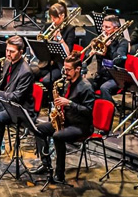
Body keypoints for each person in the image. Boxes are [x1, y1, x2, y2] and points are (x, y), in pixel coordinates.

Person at [31, 53, 95, 185]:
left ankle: (60, 174)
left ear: (78, 69)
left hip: (81, 126)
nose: (65, 72)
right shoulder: (67, 82)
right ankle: (46, 164)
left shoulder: (86, 87)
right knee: (38, 129)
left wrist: (69, 103)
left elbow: (88, 111)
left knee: (58, 136)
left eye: (68, 70)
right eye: (64, 69)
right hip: (67, 121)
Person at [0, 35, 35, 161]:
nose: (8, 54)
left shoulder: (26, 72)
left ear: (21, 52)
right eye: (7, 50)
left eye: (12, 51)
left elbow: (16, 97)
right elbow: (5, 85)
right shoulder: (7, 62)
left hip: (19, 108)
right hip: (5, 103)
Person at [36, 2, 78, 99]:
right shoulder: (48, 25)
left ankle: (52, 100)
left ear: (62, 16)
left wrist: (60, 39)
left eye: (55, 18)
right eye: (51, 17)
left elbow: (68, 53)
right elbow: (41, 44)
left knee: (47, 81)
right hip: (46, 63)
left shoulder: (70, 29)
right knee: (29, 72)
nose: (52, 21)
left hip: (60, 65)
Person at [83, 14, 130, 96]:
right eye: (103, 26)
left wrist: (109, 48)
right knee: (84, 84)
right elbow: (85, 61)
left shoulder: (123, 42)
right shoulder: (99, 41)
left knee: (104, 88)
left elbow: (118, 61)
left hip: (115, 78)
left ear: (116, 29)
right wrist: (90, 54)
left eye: (107, 27)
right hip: (100, 76)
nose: (104, 30)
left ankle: (110, 104)